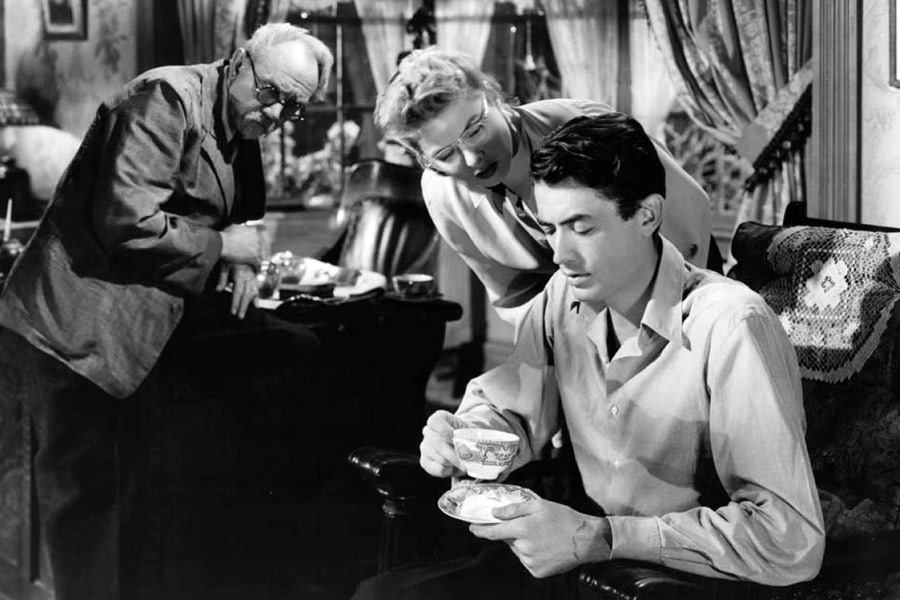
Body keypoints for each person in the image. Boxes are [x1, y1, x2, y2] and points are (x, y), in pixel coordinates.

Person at [354, 114, 824, 599]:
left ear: (648, 216)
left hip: (678, 585)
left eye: (581, 228)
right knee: (382, 594)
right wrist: (464, 437)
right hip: (577, 560)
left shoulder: (731, 325)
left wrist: (603, 538)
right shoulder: (563, 294)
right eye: (550, 229)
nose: (560, 255)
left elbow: (788, 537)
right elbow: (513, 409)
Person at [0, 23, 333, 600]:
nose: (278, 114)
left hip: (137, 317)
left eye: (294, 108)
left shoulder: (244, 111)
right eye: (273, 94)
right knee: (88, 508)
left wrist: (242, 258)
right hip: (72, 323)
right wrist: (222, 248)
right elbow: (126, 222)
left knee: (289, 356)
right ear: (239, 62)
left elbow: (234, 206)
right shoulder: (166, 99)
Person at [375, 47, 713, 329]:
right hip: (577, 328)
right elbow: (514, 297)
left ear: (493, 98)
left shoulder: (587, 126)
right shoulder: (442, 194)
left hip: (684, 296)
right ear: (426, 161)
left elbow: (687, 234)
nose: (473, 157)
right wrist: (562, 343)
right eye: (446, 154)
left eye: (475, 129)